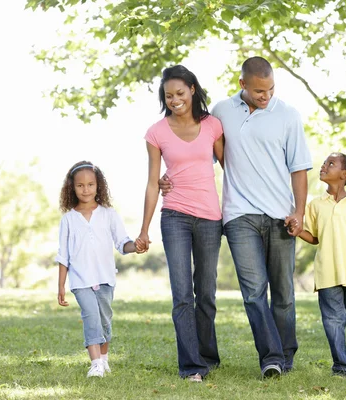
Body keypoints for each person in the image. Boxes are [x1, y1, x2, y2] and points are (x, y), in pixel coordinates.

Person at [160, 56, 312, 378]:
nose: (265, 96)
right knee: (254, 291)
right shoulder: (221, 112)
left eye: (270, 89)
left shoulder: (288, 116)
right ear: (242, 84)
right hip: (238, 213)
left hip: (280, 215)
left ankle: (285, 355)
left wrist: (299, 212)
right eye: (258, 90)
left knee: (283, 293)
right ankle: (271, 358)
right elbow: (202, 154)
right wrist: (169, 178)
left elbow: (299, 168)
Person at [135, 65, 224, 383]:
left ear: (193, 90)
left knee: (207, 292)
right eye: (168, 96)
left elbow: (232, 168)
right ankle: (192, 366)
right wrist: (144, 229)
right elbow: (152, 183)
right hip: (174, 217)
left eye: (180, 93)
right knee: (183, 294)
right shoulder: (156, 132)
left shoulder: (213, 125)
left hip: (211, 218)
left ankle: (208, 357)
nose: (175, 100)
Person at [288, 152, 346, 377]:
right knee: (333, 322)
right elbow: (314, 237)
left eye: (331, 163)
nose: (324, 166)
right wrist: (298, 232)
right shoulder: (315, 205)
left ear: (344, 175)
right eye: (325, 162)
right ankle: (340, 366)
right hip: (327, 274)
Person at [56, 161, 141, 378]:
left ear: (98, 186)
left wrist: (136, 246)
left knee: (104, 320)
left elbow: (123, 243)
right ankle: (95, 364)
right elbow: (63, 256)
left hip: (105, 278)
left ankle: (103, 359)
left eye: (90, 184)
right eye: (80, 185)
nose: (86, 190)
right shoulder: (68, 219)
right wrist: (61, 286)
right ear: (72, 188)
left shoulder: (108, 214)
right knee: (90, 317)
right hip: (80, 280)